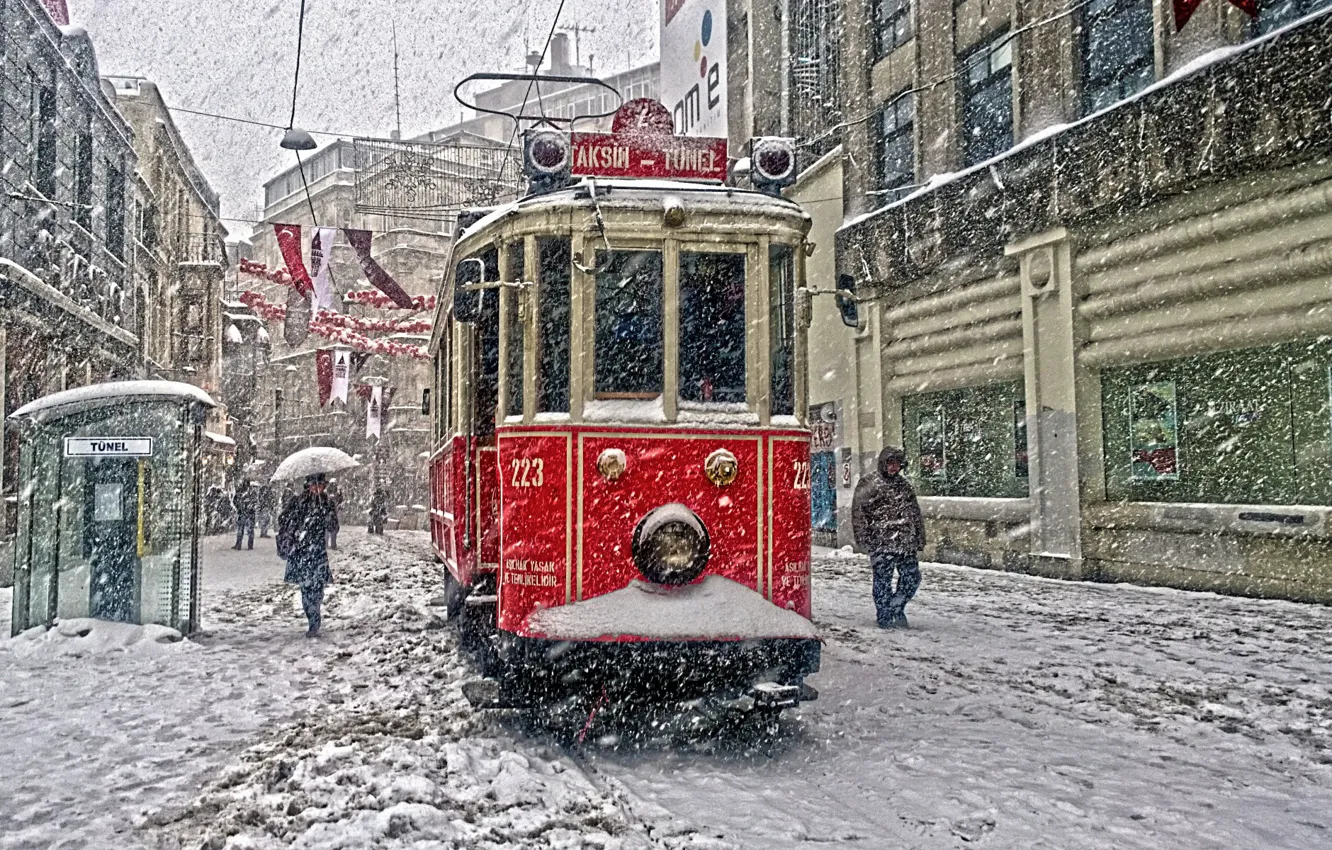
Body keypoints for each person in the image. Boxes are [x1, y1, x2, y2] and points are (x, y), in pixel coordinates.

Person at [851, 446, 926, 629]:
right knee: (882, 581)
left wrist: (919, 536)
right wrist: (863, 537)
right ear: (883, 464)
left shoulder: (904, 485)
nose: (894, 468)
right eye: (891, 463)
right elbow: (859, 512)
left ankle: (894, 608)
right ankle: (885, 615)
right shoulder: (869, 483)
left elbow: (914, 512)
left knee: (912, 578)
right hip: (881, 541)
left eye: (898, 464)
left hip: (905, 542)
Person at [278, 474, 336, 637]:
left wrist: (326, 513)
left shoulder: (327, 503)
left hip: (317, 550)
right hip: (301, 550)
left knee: (317, 587)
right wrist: (296, 526)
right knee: (306, 587)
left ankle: (314, 619)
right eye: (314, 485)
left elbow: (333, 527)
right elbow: (283, 519)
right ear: (308, 486)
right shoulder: (298, 502)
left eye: (321, 486)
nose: (318, 489)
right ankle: (312, 617)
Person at [231, 480, 257, 550]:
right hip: (250, 513)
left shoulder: (240, 491)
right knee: (250, 529)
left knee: (240, 529)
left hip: (242, 512)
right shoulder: (252, 492)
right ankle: (250, 545)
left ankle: (238, 545)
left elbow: (234, 501)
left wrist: (239, 507)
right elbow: (256, 502)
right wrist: (251, 507)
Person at [326, 482, 344, 549]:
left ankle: (328, 544)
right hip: (332, 517)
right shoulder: (335, 495)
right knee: (332, 531)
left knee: (328, 531)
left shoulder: (329, 495)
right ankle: (332, 545)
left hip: (329, 517)